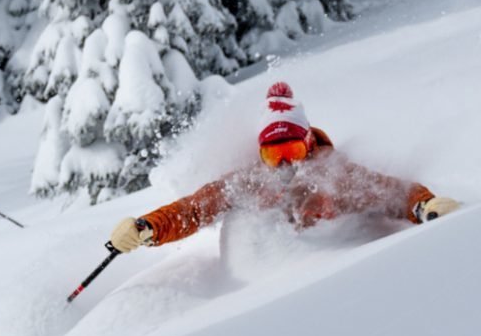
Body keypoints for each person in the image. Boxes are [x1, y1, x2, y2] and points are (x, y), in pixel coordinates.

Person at [109, 82, 460, 253]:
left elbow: (392, 193)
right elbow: (195, 208)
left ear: (309, 143)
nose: (286, 164)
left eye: (292, 150)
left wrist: (423, 205)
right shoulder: (250, 182)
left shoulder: (337, 176)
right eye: (274, 156)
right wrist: (147, 227)